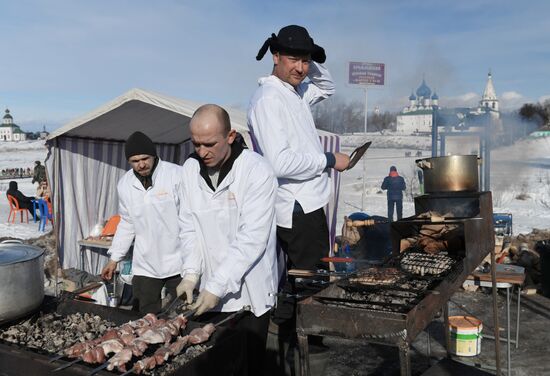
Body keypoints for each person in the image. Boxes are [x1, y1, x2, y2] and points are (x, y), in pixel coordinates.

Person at [247, 24, 349, 336]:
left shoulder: (296, 93)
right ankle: (307, 349)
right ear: (275, 56)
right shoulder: (269, 100)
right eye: (293, 59)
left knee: (302, 281)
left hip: (308, 203)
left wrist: (310, 55)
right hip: (297, 207)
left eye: (305, 61)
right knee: (311, 286)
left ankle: (291, 344)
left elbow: (329, 87)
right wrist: (330, 160)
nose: (301, 68)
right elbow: (280, 163)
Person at [176, 104, 278, 375]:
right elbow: (189, 226)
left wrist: (216, 286)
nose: (202, 152)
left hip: (249, 293)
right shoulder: (189, 169)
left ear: (230, 136)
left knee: (248, 366)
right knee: (213, 366)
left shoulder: (256, 171)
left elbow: (252, 238)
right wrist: (190, 274)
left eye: (209, 144)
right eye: (196, 144)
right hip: (210, 291)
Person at [100, 131, 184, 314]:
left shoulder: (176, 175)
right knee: (145, 316)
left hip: (179, 259)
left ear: (154, 155)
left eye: (145, 158)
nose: (141, 164)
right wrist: (114, 259)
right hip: (146, 262)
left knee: (187, 312)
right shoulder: (125, 184)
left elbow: (191, 218)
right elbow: (127, 222)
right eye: (135, 161)